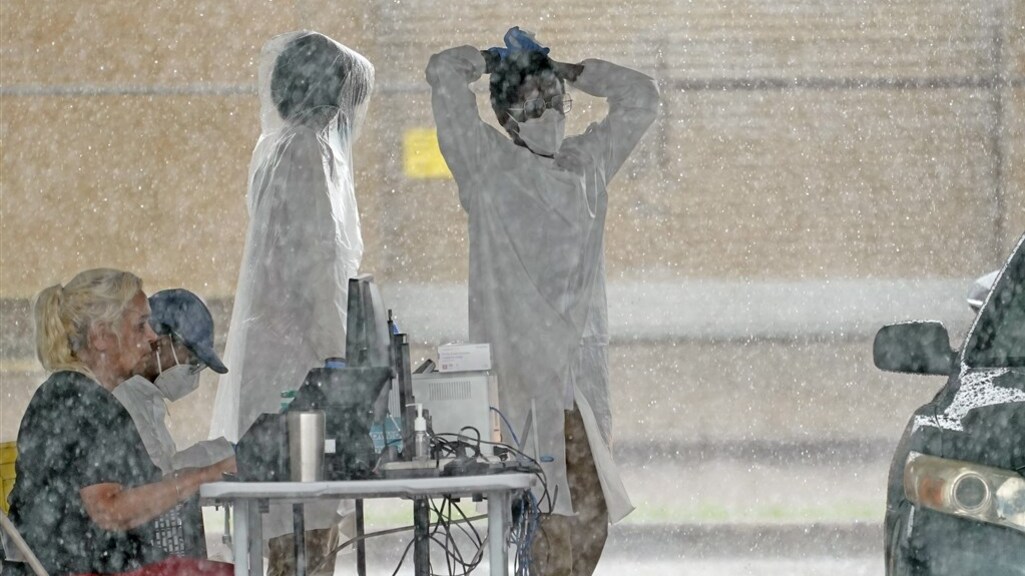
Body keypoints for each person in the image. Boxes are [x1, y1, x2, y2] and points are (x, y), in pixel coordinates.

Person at [427, 27, 659, 575]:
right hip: (525, 381)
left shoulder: (587, 166)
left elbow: (643, 98)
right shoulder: (485, 167)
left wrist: (575, 71)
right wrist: (485, 62)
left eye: (555, 99)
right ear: (506, 119)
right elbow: (442, 72)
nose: (548, 109)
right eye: (531, 102)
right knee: (548, 524)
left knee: (594, 517)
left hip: (581, 378)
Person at [209, 30, 374, 575]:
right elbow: (316, 276)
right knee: (302, 542)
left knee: (283, 534)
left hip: (274, 376)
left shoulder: (275, 148)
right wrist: (347, 372)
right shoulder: (308, 152)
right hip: (295, 380)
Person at [8, 268, 235, 575]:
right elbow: (108, 511)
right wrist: (207, 475)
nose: (152, 337)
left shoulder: (75, 394)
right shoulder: (79, 400)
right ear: (101, 336)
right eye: (141, 326)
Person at [113, 289, 235, 474]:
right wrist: (217, 460)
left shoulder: (146, 398)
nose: (193, 373)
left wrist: (223, 456)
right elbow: (155, 481)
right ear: (159, 343)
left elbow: (165, 469)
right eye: (192, 361)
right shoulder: (123, 399)